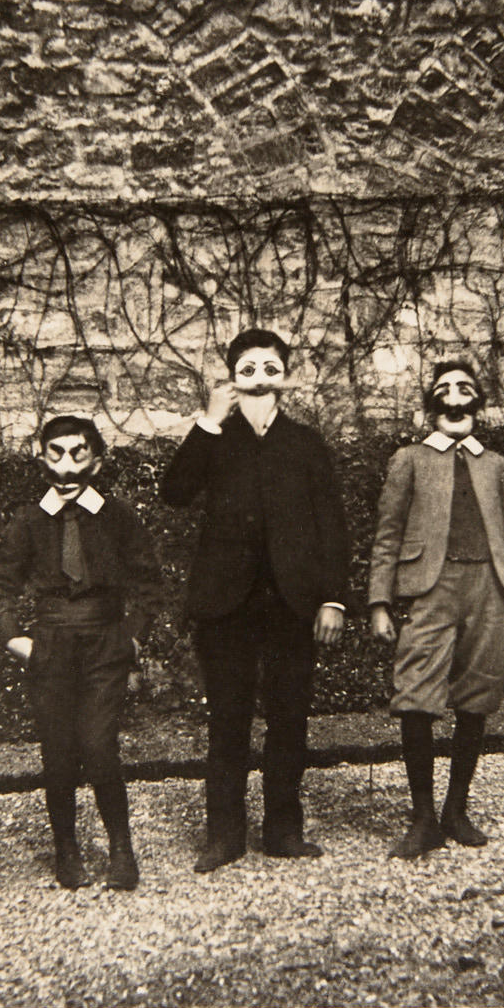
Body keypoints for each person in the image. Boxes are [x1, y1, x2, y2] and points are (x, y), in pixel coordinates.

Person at [160, 329, 349, 872]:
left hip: (293, 602)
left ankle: (284, 830)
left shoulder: (306, 443)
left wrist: (333, 600)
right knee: (228, 720)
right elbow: (174, 493)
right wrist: (208, 421)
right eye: (248, 368)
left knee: (289, 718)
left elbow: (332, 527)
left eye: (270, 367)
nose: (260, 378)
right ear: (232, 377)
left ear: (285, 377)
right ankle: (224, 835)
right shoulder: (215, 436)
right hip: (227, 603)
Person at [0, 417, 162, 891]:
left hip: (105, 642)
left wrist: (133, 639)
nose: (67, 466)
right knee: (58, 753)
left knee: (100, 746)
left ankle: (121, 848)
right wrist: (14, 638)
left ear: (97, 460)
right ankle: (67, 850)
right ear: (42, 459)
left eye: (78, 454)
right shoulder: (28, 521)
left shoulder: (118, 516)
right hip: (51, 645)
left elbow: (148, 584)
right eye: (56, 454)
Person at [368, 359, 504, 858]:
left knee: (476, 696)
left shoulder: (495, 464)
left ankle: (456, 810)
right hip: (430, 589)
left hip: (487, 588)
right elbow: (387, 534)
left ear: (477, 401)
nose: (454, 396)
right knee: (417, 695)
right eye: (444, 389)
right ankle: (422, 817)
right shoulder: (409, 458)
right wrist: (379, 601)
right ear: (432, 403)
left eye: (465, 388)